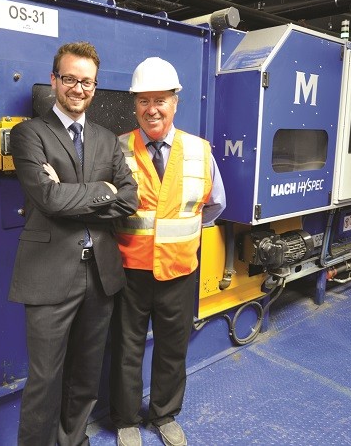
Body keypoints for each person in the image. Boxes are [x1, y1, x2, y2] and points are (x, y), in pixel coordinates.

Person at [8, 41, 138, 446]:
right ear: (54, 80)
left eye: (87, 82)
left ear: (95, 87)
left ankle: (74, 440)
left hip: (100, 276)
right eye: (70, 79)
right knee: (45, 378)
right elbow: (45, 198)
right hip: (48, 274)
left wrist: (70, 193)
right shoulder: (29, 134)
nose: (78, 88)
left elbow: (130, 199)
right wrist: (103, 189)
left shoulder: (106, 138)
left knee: (85, 373)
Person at [110, 57, 226, 446]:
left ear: (175, 101)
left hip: (179, 269)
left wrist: (178, 234)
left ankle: (164, 413)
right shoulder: (117, 149)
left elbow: (214, 206)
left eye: (160, 99)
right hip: (130, 269)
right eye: (144, 101)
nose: (152, 109)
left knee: (173, 347)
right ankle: (125, 418)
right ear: (135, 105)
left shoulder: (199, 150)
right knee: (126, 348)